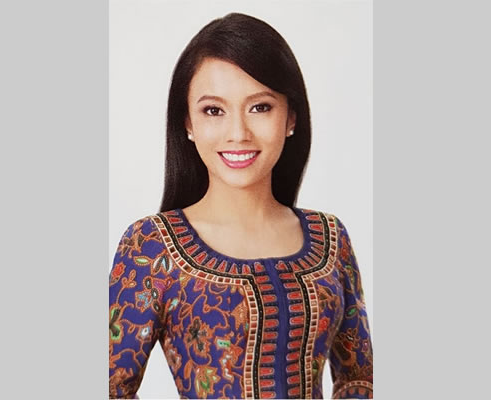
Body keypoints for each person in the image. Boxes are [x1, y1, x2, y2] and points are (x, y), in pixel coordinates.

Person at [109, 12, 373, 399]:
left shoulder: (330, 239)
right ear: (188, 123)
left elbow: (359, 378)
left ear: (291, 117)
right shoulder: (151, 246)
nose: (238, 133)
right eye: (214, 110)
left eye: (260, 107)